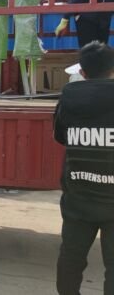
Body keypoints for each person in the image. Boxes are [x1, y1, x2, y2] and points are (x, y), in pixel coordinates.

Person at [54, 41, 114, 294]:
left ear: (83, 72)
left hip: (78, 198)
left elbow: (61, 136)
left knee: (71, 260)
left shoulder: (69, 96)